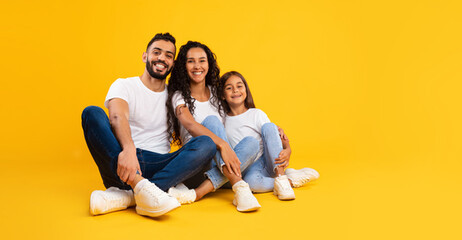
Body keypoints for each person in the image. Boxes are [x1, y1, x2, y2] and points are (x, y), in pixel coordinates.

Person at [81, 33, 217, 217]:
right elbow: (117, 115)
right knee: (92, 113)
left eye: (169, 55)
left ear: (173, 64)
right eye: (157, 52)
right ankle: (142, 188)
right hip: (122, 161)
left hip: (159, 164)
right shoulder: (124, 85)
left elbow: (191, 122)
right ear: (145, 56)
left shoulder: (174, 95)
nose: (162, 58)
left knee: (206, 143)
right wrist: (128, 150)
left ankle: (129, 195)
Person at [164, 41, 261, 212]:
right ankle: (239, 185)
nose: (197, 66)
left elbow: (240, 115)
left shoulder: (217, 93)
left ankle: (201, 193)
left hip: (223, 166)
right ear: (183, 66)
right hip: (195, 165)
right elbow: (190, 124)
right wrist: (223, 145)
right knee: (212, 123)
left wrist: (272, 129)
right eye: (191, 61)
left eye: (202, 60)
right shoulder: (178, 96)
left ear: (209, 64)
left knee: (251, 143)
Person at [216, 71, 319, 200]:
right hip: (243, 166)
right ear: (223, 95)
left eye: (239, 86)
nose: (235, 90)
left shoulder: (256, 114)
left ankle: (281, 178)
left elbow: (276, 134)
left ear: (246, 90)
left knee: (270, 126)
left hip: (264, 162)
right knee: (252, 184)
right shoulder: (222, 120)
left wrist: (287, 149)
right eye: (229, 88)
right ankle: (290, 179)